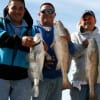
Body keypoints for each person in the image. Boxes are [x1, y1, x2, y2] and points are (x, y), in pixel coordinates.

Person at [32, 2, 75, 100]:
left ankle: (65, 81)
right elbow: (28, 52)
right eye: (44, 11)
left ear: (54, 14)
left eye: (50, 11)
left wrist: (68, 41)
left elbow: (72, 51)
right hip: (41, 77)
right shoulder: (33, 30)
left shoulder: (60, 30)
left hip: (58, 78)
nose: (47, 13)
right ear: (39, 14)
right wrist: (42, 61)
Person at [0, 0, 35, 100]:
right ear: (7, 8)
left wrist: (41, 47)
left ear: (24, 11)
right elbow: (2, 38)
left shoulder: (31, 30)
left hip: (23, 78)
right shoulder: (1, 22)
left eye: (20, 8)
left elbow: (36, 53)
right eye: (14, 8)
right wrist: (20, 41)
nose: (17, 11)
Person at [70, 10, 100, 100]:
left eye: (90, 18)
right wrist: (82, 46)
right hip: (78, 82)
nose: (87, 20)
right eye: (84, 19)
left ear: (95, 21)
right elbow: (72, 54)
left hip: (98, 83)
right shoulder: (74, 36)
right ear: (80, 22)